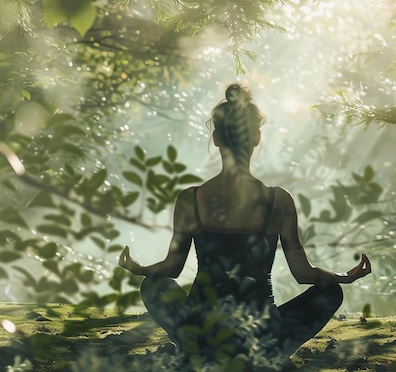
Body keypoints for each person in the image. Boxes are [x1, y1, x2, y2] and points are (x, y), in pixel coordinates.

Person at [118, 83, 372, 370]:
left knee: (154, 285)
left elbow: (172, 268)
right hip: (262, 333)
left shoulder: (190, 199)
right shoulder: (278, 200)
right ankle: (266, 354)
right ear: (256, 137)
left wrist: (140, 270)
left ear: (216, 138)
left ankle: (198, 350)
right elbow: (304, 274)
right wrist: (344, 277)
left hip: (202, 330)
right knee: (330, 292)